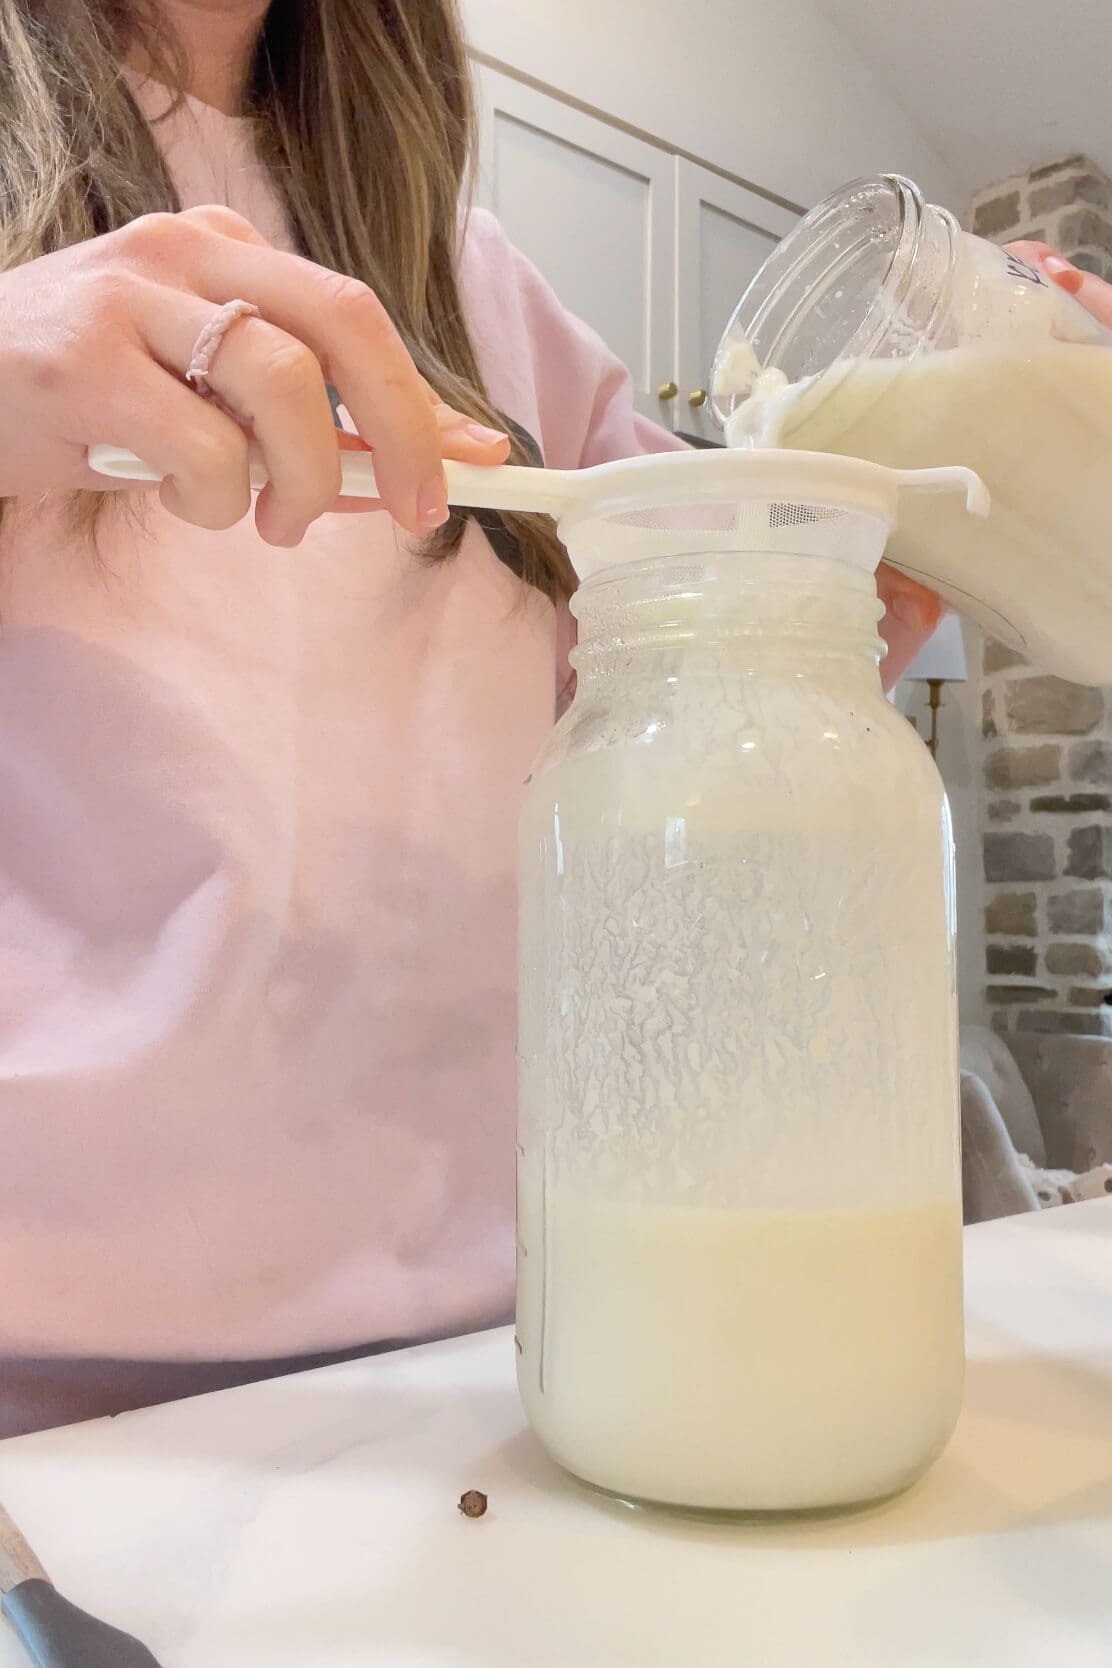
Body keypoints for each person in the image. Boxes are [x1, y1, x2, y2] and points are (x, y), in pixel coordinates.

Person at [0, 0, 1062, 1435]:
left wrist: (868, 550)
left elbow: (680, 677)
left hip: (520, 1357)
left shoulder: (474, 282)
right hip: (51, 1411)